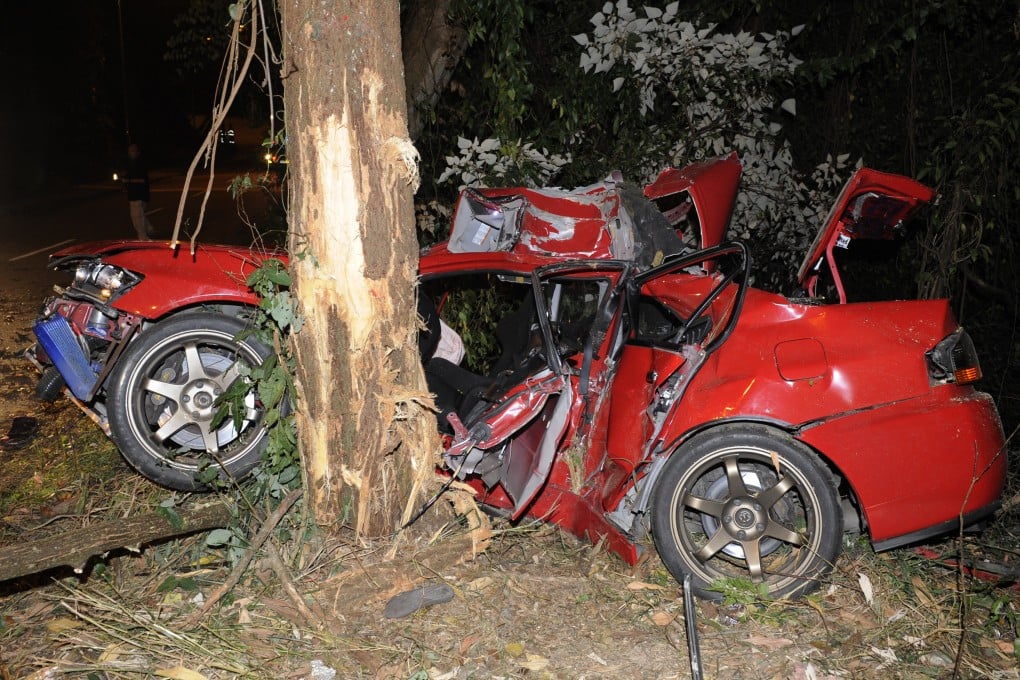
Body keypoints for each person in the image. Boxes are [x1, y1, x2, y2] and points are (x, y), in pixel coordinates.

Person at [122, 143, 155, 240]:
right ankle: (149, 228)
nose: (131, 153)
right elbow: (126, 176)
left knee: (137, 216)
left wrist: (128, 181)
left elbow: (142, 179)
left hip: (139, 194)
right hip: (135, 194)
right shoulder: (130, 163)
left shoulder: (140, 163)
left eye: (133, 151)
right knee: (139, 214)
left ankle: (143, 236)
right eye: (129, 151)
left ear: (137, 152)